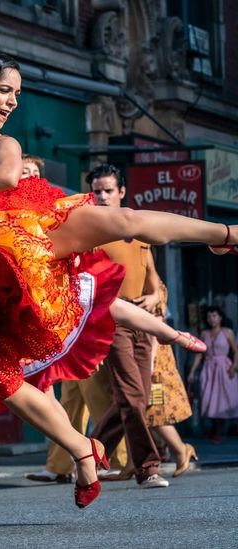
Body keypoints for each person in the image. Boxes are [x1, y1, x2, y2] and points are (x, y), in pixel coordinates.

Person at [0, 0, 226, 509]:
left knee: (121, 223)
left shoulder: (3, 143)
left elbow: (7, 178)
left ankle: (225, 232)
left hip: (14, 242)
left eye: (17, 94)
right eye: (5, 90)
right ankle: (82, 450)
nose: (13, 101)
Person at [86, 164, 175, 488]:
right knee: (133, 395)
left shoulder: (136, 228)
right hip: (112, 321)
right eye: (98, 191)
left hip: (145, 322)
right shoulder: (91, 231)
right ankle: (148, 467)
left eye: (109, 190)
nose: (103, 196)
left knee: (134, 398)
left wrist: (154, 297)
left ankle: (89, 455)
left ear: (122, 192)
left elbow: (151, 276)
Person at [146, 284, 198, 477]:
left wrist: (150, 360)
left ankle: (180, 449)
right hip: (148, 354)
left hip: (154, 357)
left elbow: (154, 325)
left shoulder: (153, 288)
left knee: (154, 410)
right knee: (143, 409)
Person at [188, 306, 238, 443]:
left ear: (220, 317)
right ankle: (214, 429)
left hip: (224, 368)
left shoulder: (228, 332)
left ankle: (218, 432)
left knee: (223, 399)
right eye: (209, 316)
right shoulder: (204, 334)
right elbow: (199, 354)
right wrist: (192, 372)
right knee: (208, 399)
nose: (212, 319)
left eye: (215, 316)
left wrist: (234, 366)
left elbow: (236, 350)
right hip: (209, 368)